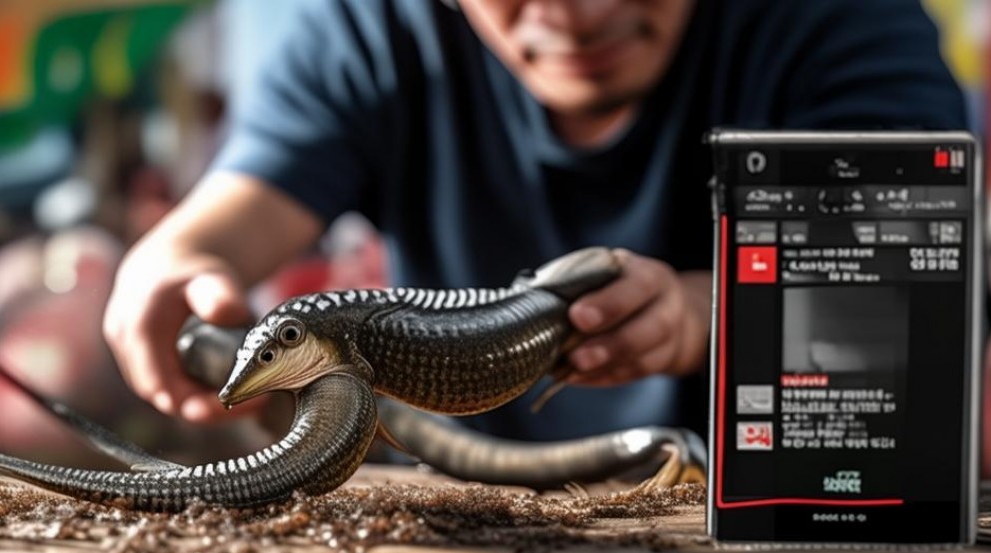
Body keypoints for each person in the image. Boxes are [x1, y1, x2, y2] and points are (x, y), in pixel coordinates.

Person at [104, 0, 966, 442]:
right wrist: (176, 262)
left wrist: (705, 313)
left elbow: (909, 303)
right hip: (471, 541)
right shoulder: (370, 31)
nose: (575, 15)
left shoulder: (844, 20)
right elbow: (224, 223)